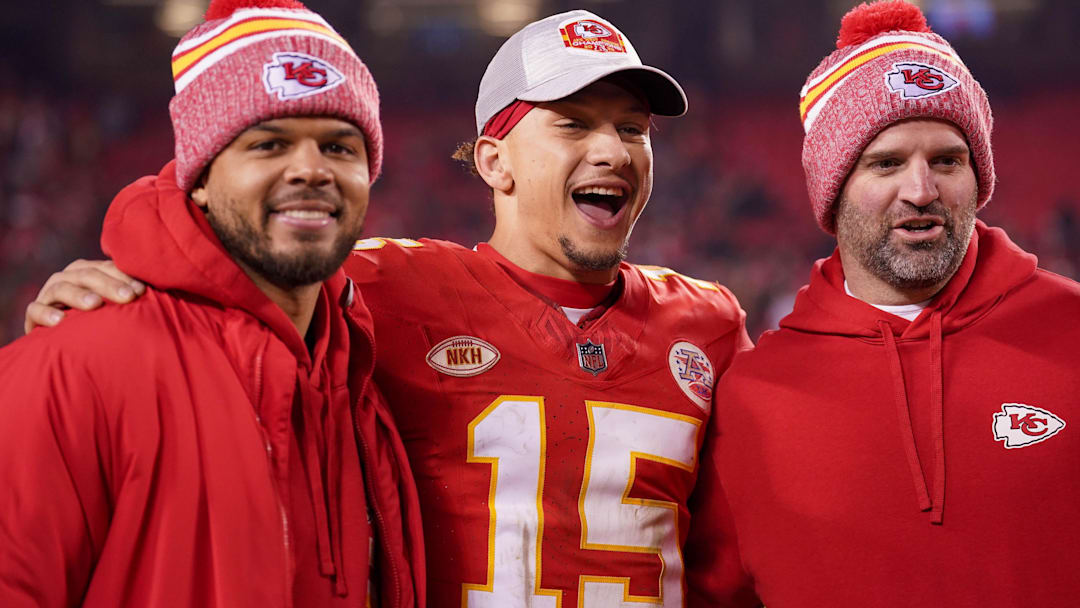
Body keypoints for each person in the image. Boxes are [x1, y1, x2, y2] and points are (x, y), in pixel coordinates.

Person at [24, 10, 759, 607]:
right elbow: (234, 274)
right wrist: (127, 286)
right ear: (494, 160)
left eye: (632, 129)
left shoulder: (709, 325)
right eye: (572, 124)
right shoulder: (379, 287)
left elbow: (733, 565)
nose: (614, 151)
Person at [0, 0, 424, 606]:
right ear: (198, 177)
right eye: (269, 144)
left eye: (339, 148)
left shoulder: (365, 385)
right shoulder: (71, 370)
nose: (311, 170)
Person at [691, 2, 1080, 606]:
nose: (921, 191)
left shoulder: (1071, 330)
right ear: (833, 190)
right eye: (887, 163)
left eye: (947, 160)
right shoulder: (751, 397)